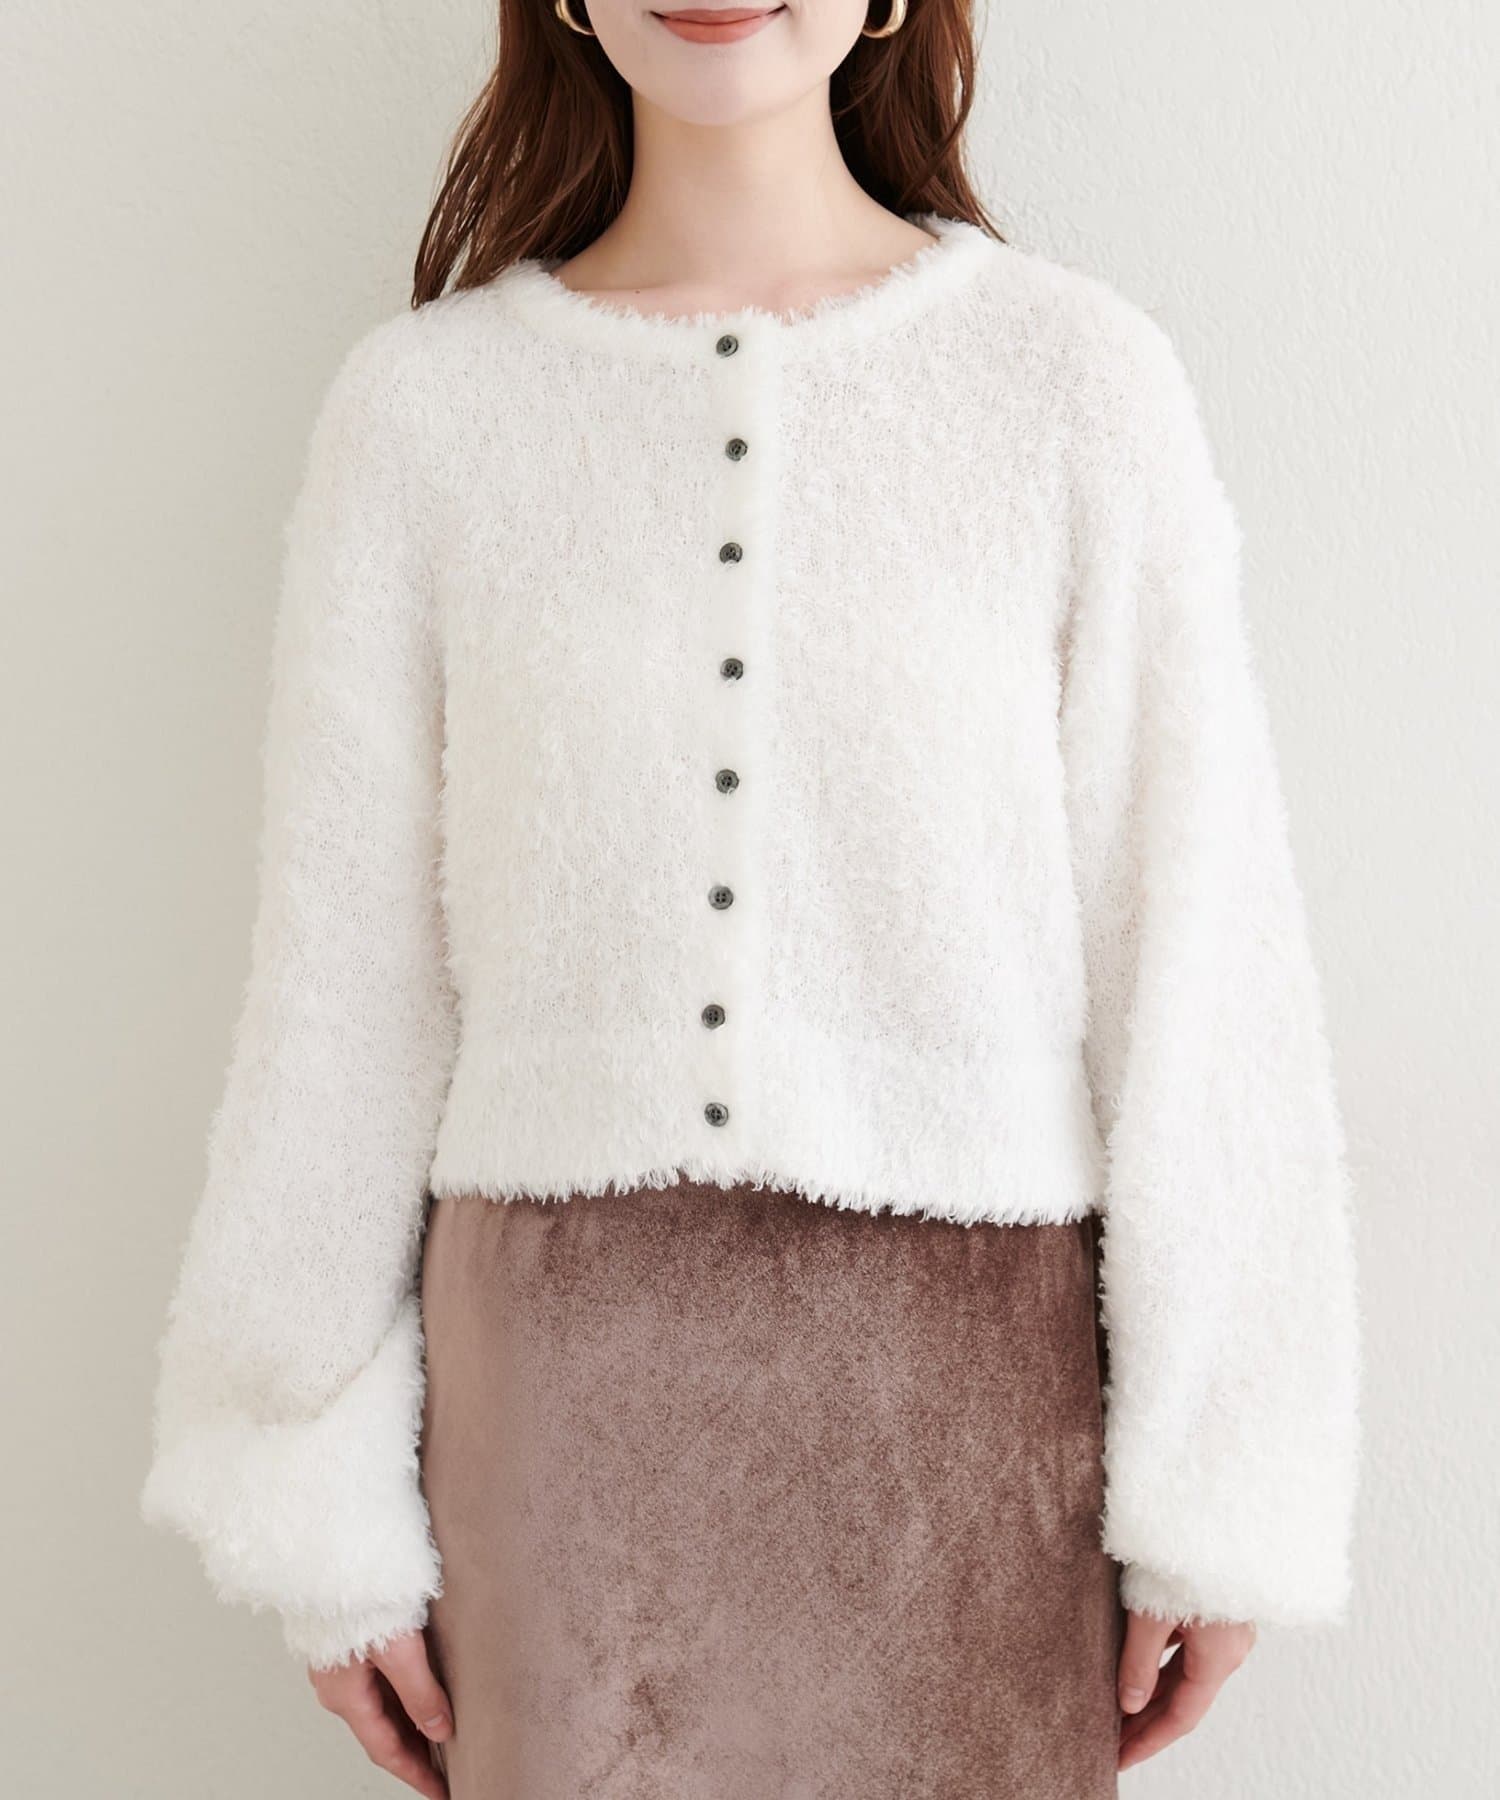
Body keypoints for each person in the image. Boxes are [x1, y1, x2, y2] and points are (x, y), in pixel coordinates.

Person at [139, 0, 1360, 1794]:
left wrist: (1223, 1484)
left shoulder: (1071, 384)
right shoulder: (423, 417)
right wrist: (306, 1494)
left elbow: (1198, 941)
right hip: (558, 1415)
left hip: (972, 1421)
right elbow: (346, 982)